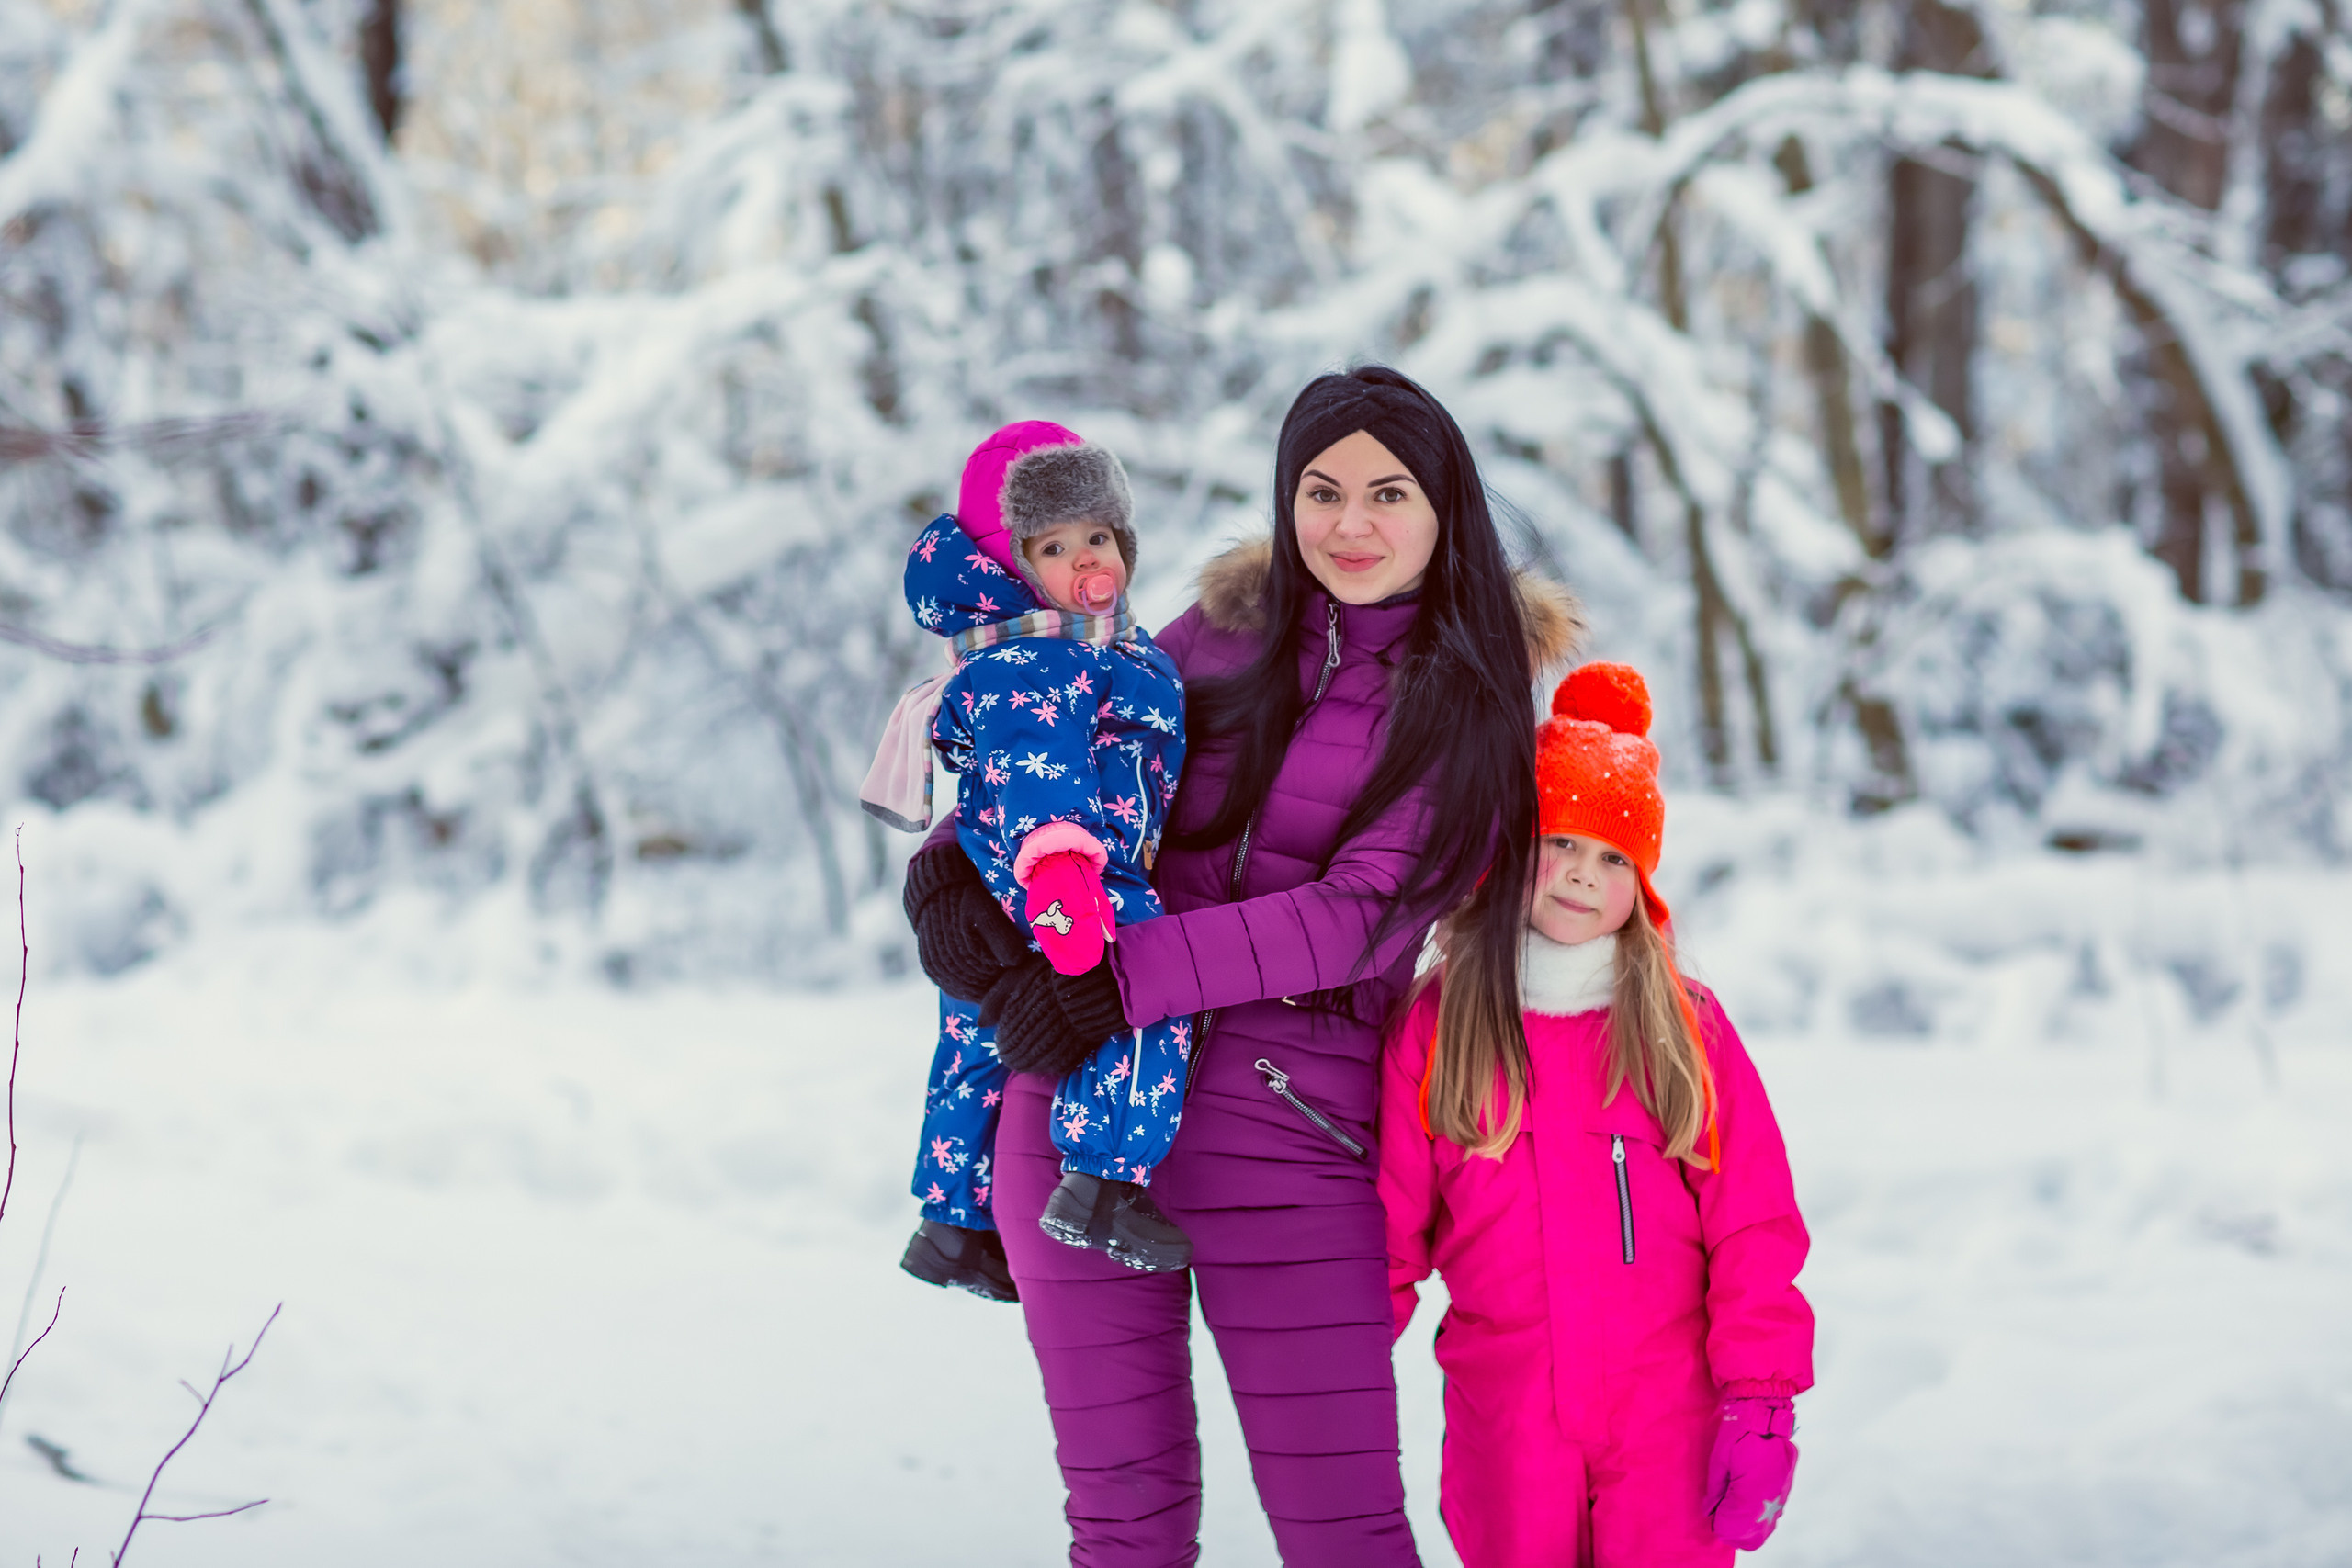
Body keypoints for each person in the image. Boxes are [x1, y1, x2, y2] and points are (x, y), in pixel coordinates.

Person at [902, 367, 1582, 1563]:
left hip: (1291, 1137)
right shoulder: (1216, 629)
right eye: (1321, 490)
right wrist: (951, 879)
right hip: (1070, 1107)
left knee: (1344, 1530)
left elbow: (1360, 912)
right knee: (1122, 1521)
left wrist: (1117, 978)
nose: (1350, 524)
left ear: (1444, 510)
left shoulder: (1470, 699)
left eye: (1388, 492)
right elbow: (1061, 740)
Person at [1379, 661, 1814, 1568]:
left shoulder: (1682, 1028)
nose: (1582, 876)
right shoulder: (1440, 1022)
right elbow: (1384, 1228)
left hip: (1669, 1417)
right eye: (1562, 843)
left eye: (1613, 857)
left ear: (1642, 885)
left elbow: (1753, 1225)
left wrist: (1760, 1399)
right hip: (1507, 1419)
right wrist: (1331, 1371)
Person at [873, 421, 1195, 1303]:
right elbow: (1035, 774)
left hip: (1022, 874)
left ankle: (952, 1223)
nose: (1088, 558)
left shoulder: (1088, 647)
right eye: (1055, 545)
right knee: (1146, 992)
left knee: (975, 1033)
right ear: (1012, 564)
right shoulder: (1038, 663)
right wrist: (1062, 877)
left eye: (1100, 536)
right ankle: (1103, 1180)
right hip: (1071, 873)